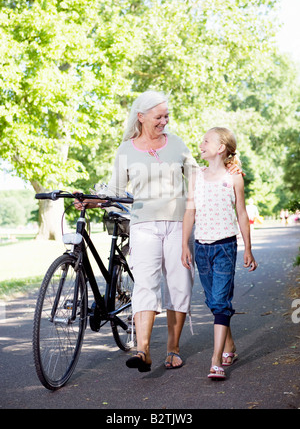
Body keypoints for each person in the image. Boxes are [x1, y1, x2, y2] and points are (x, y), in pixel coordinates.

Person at [75, 92, 240, 372]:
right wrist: (91, 200)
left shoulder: (175, 143)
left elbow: (199, 174)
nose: (164, 121)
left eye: (167, 116)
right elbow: (115, 191)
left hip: (177, 223)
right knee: (145, 285)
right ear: (141, 117)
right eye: (159, 116)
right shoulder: (125, 149)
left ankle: (173, 349)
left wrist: (227, 167)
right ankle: (143, 350)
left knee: (179, 285)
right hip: (143, 224)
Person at [181, 127, 257, 380]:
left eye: (206, 141)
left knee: (221, 301)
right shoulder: (196, 176)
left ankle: (216, 361)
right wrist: (185, 245)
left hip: (225, 246)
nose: (200, 144)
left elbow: (242, 214)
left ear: (221, 147)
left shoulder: (233, 178)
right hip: (201, 247)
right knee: (214, 301)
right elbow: (190, 212)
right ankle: (230, 346)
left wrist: (248, 248)